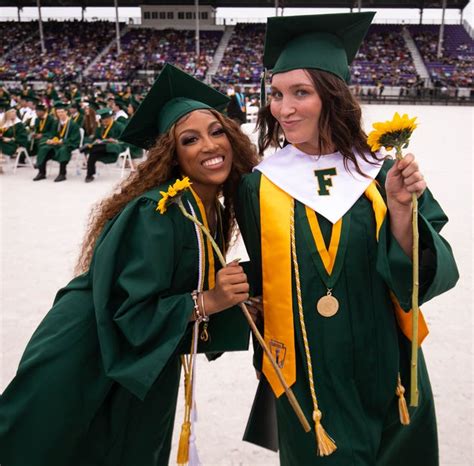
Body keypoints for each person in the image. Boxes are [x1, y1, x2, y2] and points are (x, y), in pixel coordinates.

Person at [0, 63, 258, 466]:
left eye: (217, 131)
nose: (209, 146)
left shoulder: (213, 211)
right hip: (88, 348)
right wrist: (209, 300)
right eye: (190, 139)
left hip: (141, 356)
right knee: (48, 446)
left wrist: (235, 304)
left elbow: (181, 299)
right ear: (173, 155)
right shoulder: (156, 210)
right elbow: (132, 311)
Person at [236, 12, 459, 466]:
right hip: (311, 375)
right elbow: (264, 279)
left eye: (301, 92)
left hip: (391, 369)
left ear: (332, 96)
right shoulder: (258, 186)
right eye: (277, 94)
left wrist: (400, 211)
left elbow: (426, 276)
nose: (284, 108)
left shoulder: (381, 172)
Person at [33, 101, 81, 182]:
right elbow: (52, 134)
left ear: (66, 112)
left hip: (68, 144)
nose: (60, 114)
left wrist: (62, 141)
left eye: (62, 112)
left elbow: (74, 139)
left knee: (63, 150)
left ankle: (62, 174)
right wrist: (50, 140)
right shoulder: (56, 123)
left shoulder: (73, 124)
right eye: (58, 112)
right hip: (56, 144)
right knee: (43, 148)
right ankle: (41, 173)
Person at [81, 107, 126, 182]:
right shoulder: (101, 126)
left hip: (115, 147)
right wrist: (97, 140)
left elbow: (124, 138)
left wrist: (115, 140)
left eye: (107, 121)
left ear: (111, 118)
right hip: (101, 147)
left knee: (97, 148)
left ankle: (89, 148)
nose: (104, 123)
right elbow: (96, 137)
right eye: (103, 121)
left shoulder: (119, 126)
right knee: (93, 154)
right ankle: (89, 175)